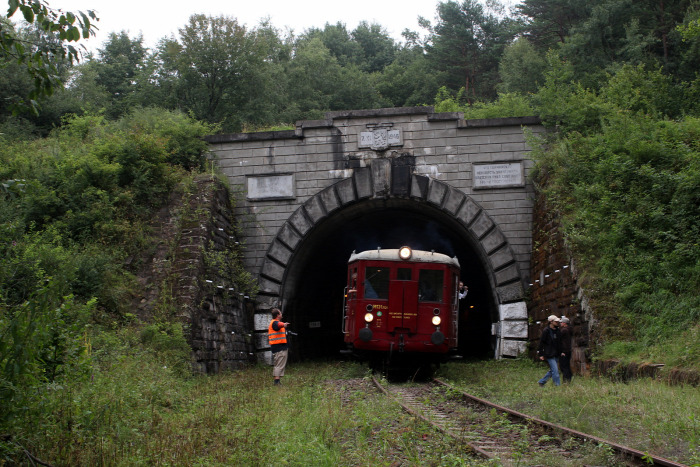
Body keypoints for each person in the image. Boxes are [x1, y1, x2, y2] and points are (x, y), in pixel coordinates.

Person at [537, 315, 561, 387]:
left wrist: (561, 351)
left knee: (553, 370)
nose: (557, 322)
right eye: (556, 321)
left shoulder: (557, 330)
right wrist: (541, 354)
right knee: (555, 371)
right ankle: (557, 386)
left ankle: (542, 382)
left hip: (556, 353)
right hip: (549, 353)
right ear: (551, 322)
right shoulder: (546, 331)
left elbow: (559, 342)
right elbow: (542, 342)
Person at [268, 308, 290, 386]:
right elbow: (278, 325)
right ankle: (276, 382)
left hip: (279, 347)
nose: (281, 314)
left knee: (279, 364)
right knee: (279, 364)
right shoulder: (275, 323)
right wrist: (284, 324)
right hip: (279, 347)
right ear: (278, 315)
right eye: (280, 313)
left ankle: (277, 381)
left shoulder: (275, 323)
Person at [559, 316, 573, 383]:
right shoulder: (570, 329)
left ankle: (565, 380)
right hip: (568, 350)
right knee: (567, 365)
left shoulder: (564, 330)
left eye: (561, 322)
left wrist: (562, 351)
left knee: (563, 366)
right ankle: (568, 379)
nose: (560, 323)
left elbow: (560, 340)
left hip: (564, 351)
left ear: (564, 323)